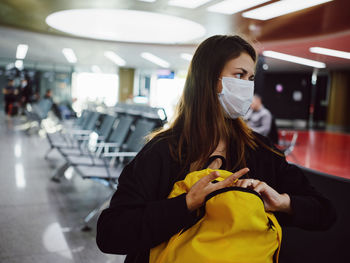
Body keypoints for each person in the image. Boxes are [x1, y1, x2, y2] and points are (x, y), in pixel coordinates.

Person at [96, 35, 335, 263]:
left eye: (250, 78)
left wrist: (282, 202)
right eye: (239, 75)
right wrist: (186, 204)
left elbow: (325, 212)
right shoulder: (163, 151)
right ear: (208, 80)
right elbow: (111, 233)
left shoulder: (260, 150)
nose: (246, 87)